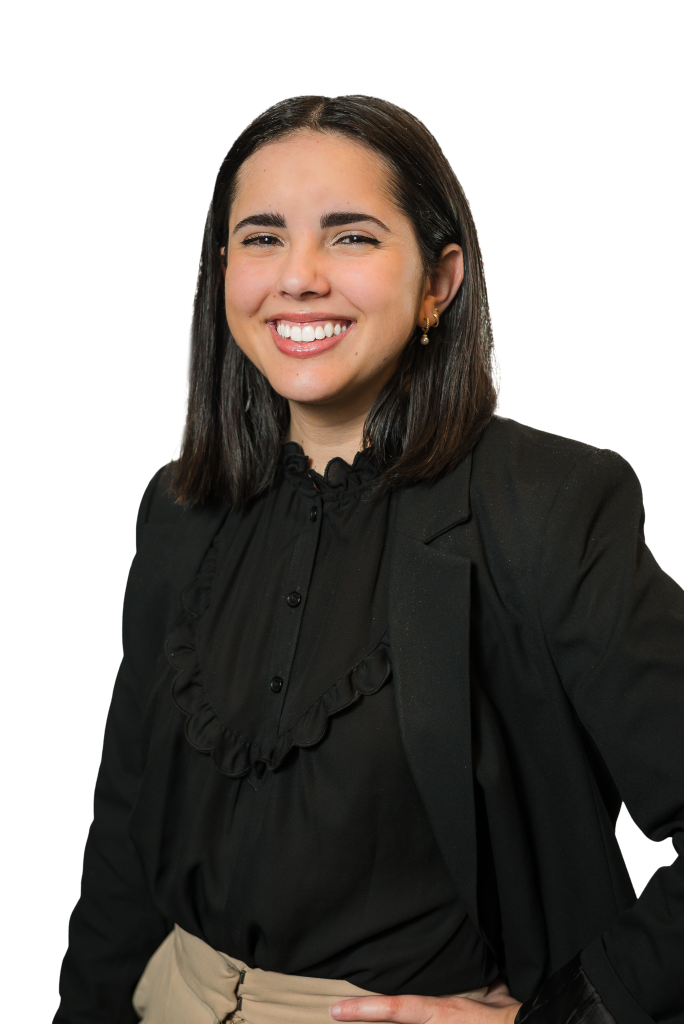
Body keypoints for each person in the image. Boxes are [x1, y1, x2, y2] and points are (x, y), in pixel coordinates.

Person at [53, 95, 683, 1024]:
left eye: (350, 238)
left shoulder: (551, 503)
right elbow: (123, 822)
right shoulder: (178, 504)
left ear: (440, 281)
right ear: (223, 272)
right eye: (261, 238)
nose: (298, 277)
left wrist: (568, 1018)